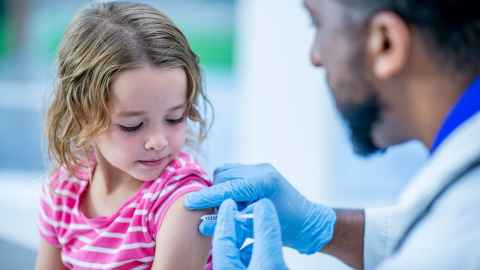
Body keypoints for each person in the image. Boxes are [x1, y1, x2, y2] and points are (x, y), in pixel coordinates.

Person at [185, 0, 480, 269]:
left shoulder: (455, 239)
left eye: (317, 23)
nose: (315, 56)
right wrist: (324, 227)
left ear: (385, 42)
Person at [35, 2, 214, 269]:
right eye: (133, 125)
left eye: (175, 118)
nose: (159, 141)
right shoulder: (64, 187)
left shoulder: (183, 202)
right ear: (82, 114)